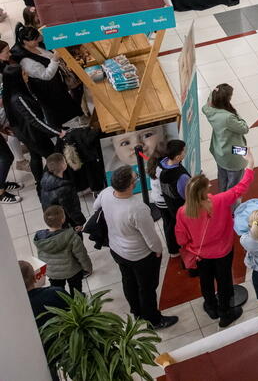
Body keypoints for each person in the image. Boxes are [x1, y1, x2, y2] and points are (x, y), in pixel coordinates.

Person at [94, 166, 177, 329]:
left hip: (116, 249)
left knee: (128, 280)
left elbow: (95, 208)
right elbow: (151, 238)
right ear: (131, 185)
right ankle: (153, 320)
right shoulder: (137, 208)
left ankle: (137, 311)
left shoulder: (106, 193)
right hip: (140, 256)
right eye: (136, 178)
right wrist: (158, 250)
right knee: (147, 288)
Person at [176, 159, 254, 327]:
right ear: (203, 191)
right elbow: (241, 187)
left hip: (200, 254)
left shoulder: (183, 212)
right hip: (223, 251)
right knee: (224, 281)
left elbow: (180, 238)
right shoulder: (220, 201)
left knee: (205, 280)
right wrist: (250, 166)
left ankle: (210, 306)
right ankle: (225, 314)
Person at [2, 63, 62, 196]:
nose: (27, 74)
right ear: (16, 79)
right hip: (33, 134)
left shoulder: (10, 93)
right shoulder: (19, 98)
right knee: (53, 156)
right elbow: (35, 120)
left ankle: (39, 183)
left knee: (35, 156)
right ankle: (50, 184)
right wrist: (57, 131)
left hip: (25, 133)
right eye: (23, 73)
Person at [20, 258, 66, 378]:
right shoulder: (56, 293)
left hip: (40, 353)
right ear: (35, 277)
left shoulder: (15, 310)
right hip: (64, 343)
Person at [201, 83, 249, 193]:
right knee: (234, 187)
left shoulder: (208, 110)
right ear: (226, 100)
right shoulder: (228, 117)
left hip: (219, 151)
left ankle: (221, 199)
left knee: (222, 178)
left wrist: (216, 92)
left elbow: (209, 100)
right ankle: (230, 208)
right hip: (233, 154)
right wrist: (235, 112)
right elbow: (245, 128)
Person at [34, 205, 91, 293]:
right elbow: (82, 255)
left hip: (53, 273)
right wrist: (88, 268)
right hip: (72, 271)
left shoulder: (40, 239)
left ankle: (61, 306)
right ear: (63, 220)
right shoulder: (72, 237)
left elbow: (41, 256)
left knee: (58, 294)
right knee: (76, 292)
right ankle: (77, 306)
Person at [152, 139, 189, 256]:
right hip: (177, 206)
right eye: (184, 151)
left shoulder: (161, 164)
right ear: (178, 157)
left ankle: (172, 249)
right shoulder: (180, 175)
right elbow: (186, 194)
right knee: (174, 226)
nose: (185, 152)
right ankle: (177, 248)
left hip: (165, 201)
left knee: (168, 224)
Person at [38, 153, 84, 230]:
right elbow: (72, 208)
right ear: (63, 165)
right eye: (65, 161)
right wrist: (80, 222)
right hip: (65, 221)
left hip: (53, 219)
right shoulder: (65, 188)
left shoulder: (45, 180)